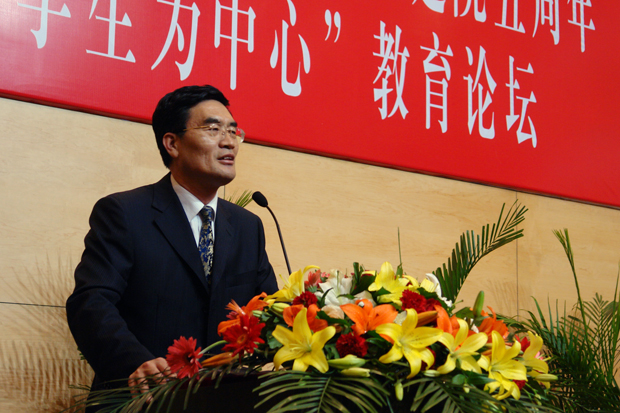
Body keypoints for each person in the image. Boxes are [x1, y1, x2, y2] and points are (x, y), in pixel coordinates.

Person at [66, 85, 278, 399]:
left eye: (233, 131)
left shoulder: (248, 226)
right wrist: (135, 363)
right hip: (144, 398)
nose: (229, 141)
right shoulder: (125, 213)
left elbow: (270, 308)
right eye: (213, 129)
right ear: (172, 143)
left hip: (224, 399)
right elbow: (91, 302)